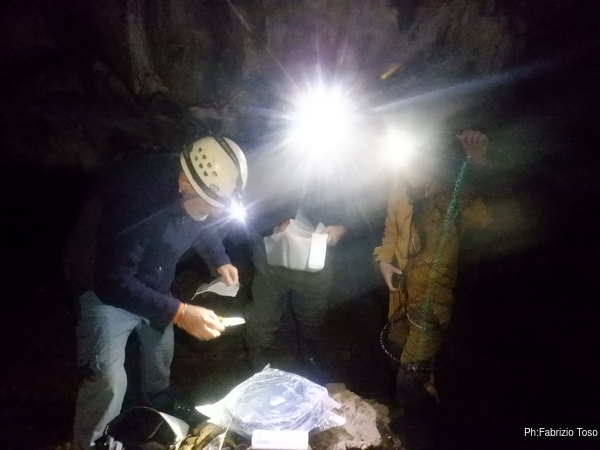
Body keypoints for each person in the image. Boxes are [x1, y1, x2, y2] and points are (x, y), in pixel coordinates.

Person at [64, 135, 248, 450]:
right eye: (210, 205)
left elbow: (203, 226)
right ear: (184, 184)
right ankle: (92, 441)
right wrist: (180, 312)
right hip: (102, 286)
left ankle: (159, 401)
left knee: (160, 354)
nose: (216, 214)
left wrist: (220, 260)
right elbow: (114, 282)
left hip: (152, 279)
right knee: (109, 379)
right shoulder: (137, 201)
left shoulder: (198, 190)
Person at [373, 129, 493, 447]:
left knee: (410, 375)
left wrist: (477, 164)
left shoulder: (452, 195)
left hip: (432, 301)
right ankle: (411, 415)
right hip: (400, 295)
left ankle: (425, 429)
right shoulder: (399, 188)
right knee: (397, 358)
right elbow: (390, 233)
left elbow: (486, 218)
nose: (409, 170)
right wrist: (383, 261)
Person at [243, 195, 347, 383]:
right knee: (262, 317)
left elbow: (360, 200)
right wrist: (270, 223)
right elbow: (243, 205)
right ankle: (260, 368)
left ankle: (310, 357)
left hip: (316, 257)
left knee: (311, 316)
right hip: (270, 255)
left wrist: (343, 226)